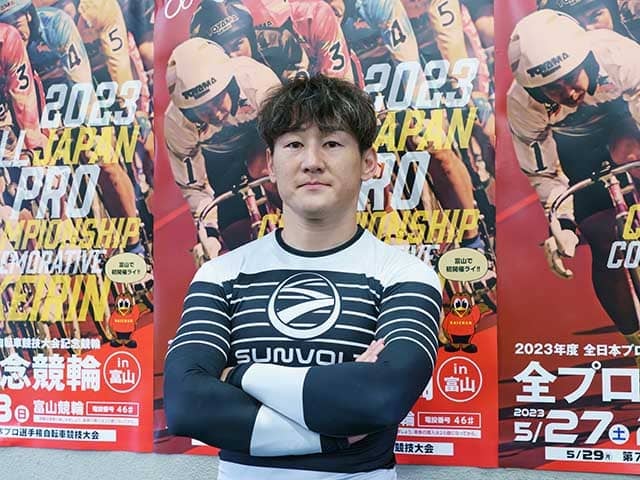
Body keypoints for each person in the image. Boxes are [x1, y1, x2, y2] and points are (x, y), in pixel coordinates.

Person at [163, 74, 442, 479]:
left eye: (332, 143)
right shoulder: (221, 273)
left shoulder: (404, 275)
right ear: (270, 164)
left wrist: (236, 376)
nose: (312, 161)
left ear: (368, 162)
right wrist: (335, 431)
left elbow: (379, 399)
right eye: (294, 144)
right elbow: (187, 405)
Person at [507, 9, 640, 363]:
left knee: (630, 151)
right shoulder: (521, 102)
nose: (568, 92)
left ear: (586, 59)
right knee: (602, 240)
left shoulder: (618, 56)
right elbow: (544, 174)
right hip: (574, 150)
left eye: (570, 78)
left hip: (625, 123)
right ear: (533, 89)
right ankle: (636, 341)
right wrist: (562, 222)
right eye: (553, 88)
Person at [164, 37, 281, 261]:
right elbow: (194, 187)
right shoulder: (176, 122)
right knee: (234, 238)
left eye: (217, 101)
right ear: (187, 111)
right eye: (203, 110)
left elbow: (291, 140)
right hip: (220, 160)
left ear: (230, 85)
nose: (216, 114)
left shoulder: (256, 80)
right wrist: (209, 233)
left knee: (265, 171)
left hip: (262, 139)